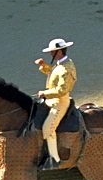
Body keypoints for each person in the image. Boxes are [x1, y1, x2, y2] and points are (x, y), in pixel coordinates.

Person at [33, 38, 77, 170]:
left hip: (59, 103)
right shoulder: (61, 64)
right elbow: (54, 73)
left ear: (58, 52)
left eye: (52, 52)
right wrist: (44, 66)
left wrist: (45, 93)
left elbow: (62, 90)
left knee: (48, 128)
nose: (50, 54)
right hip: (51, 101)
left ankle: (55, 160)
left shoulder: (66, 68)